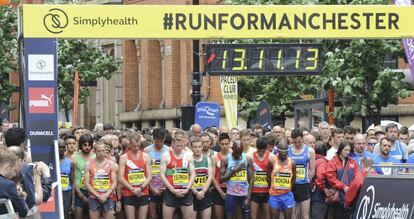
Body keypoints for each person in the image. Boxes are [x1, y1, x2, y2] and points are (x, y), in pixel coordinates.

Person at [160, 131, 196, 219]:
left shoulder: (189, 155)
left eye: (181, 146)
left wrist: (187, 189)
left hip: (185, 191)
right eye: (177, 146)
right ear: (173, 144)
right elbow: (162, 175)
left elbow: (193, 174)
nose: (179, 148)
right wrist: (172, 190)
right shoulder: (166, 155)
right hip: (171, 191)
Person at [119, 133, 152, 219]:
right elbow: (121, 178)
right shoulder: (124, 158)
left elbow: (149, 176)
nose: (136, 148)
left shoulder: (146, 157)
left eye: (138, 146)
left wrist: (140, 188)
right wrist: (132, 189)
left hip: (143, 192)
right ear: (130, 144)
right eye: (134, 146)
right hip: (129, 192)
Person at [326, 140, 361, 219]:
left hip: (350, 196)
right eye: (345, 150)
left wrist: (352, 188)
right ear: (340, 149)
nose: (347, 152)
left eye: (349, 150)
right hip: (338, 196)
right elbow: (331, 177)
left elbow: (357, 176)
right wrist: (343, 187)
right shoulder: (333, 162)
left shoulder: (353, 162)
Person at [220, 141, 253, 219]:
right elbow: (221, 180)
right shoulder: (225, 159)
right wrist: (234, 171)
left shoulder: (247, 158)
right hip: (231, 194)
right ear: (232, 149)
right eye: (237, 152)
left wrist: (248, 197)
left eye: (240, 152)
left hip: (244, 194)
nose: (239, 155)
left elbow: (251, 179)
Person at [84, 142, 117, 219]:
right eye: (99, 151)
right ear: (94, 151)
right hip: (94, 197)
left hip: (108, 197)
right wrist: (98, 196)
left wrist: (105, 195)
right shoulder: (88, 164)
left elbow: (114, 182)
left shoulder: (112, 164)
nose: (101, 153)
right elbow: (86, 183)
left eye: (103, 151)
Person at [288, 128, 316, 219]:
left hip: (303, 185)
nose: (297, 144)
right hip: (290, 185)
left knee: (305, 215)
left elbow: (312, 170)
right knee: (292, 215)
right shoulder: (288, 150)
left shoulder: (310, 151)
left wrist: (307, 180)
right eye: (295, 142)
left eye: (299, 142)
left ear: (302, 139)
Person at [143, 127, 169, 219]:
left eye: (161, 141)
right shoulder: (147, 150)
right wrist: (151, 187)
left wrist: (166, 187)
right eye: (157, 141)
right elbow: (145, 171)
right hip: (151, 186)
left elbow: (170, 171)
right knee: (152, 215)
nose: (159, 143)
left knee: (164, 215)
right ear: (153, 139)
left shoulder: (169, 150)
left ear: (164, 138)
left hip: (165, 186)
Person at [268, 139, 296, 219]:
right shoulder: (272, 161)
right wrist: (275, 185)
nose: (284, 154)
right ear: (277, 150)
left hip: (287, 195)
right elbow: (268, 176)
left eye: (286, 151)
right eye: (282, 151)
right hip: (274, 195)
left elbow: (294, 179)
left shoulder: (292, 163)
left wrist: (287, 187)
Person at [250, 137, 274, 219]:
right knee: (253, 216)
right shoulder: (251, 157)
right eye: (259, 150)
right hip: (255, 191)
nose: (260, 153)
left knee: (267, 216)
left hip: (267, 191)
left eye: (263, 151)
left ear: (266, 148)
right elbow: (249, 175)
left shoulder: (271, 157)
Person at [72, 134, 96, 219]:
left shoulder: (95, 156)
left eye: (89, 145)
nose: (87, 147)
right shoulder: (75, 157)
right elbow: (73, 178)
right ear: (81, 145)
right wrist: (80, 195)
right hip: (79, 190)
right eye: (85, 145)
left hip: (93, 191)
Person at [0, 150, 29, 218]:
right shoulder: (8, 185)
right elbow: (23, 211)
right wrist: (20, 195)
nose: (14, 174)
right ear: (8, 167)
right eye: (14, 170)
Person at [190, 136, 213, 219]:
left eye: (199, 147)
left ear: (202, 147)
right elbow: (187, 179)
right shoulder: (188, 160)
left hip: (205, 193)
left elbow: (210, 176)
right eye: (195, 147)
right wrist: (196, 192)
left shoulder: (207, 159)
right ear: (191, 148)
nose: (197, 149)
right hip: (192, 194)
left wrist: (203, 191)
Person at [211, 132, 232, 219]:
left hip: (232, 189)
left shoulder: (234, 155)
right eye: (222, 144)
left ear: (230, 143)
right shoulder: (214, 157)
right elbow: (212, 177)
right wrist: (221, 193)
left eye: (226, 144)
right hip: (218, 190)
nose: (224, 146)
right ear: (219, 143)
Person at [59, 139, 75, 219]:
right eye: (59, 147)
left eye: (62, 147)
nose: (61, 149)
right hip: (55, 193)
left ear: (65, 148)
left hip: (66, 193)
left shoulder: (70, 163)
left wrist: (73, 201)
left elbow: (73, 182)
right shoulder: (51, 162)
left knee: (65, 215)